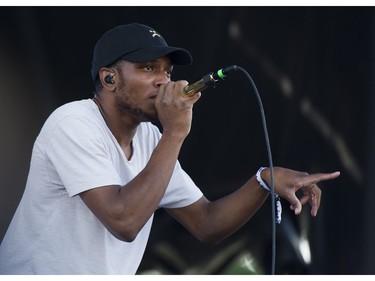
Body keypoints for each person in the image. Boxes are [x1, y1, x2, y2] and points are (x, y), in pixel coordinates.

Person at [0, 23, 340, 275]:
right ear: (109, 79)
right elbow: (124, 220)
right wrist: (175, 131)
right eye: (149, 69)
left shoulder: (149, 138)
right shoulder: (73, 123)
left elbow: (206, 223)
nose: (164, 80)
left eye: (167, 70)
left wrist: (265, 179)